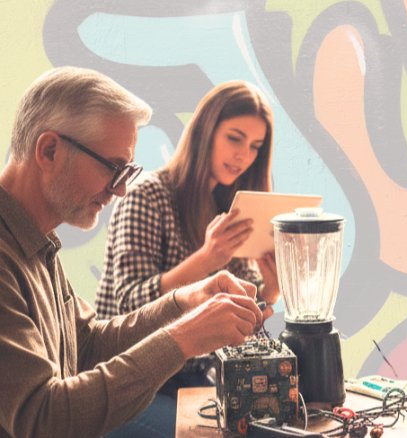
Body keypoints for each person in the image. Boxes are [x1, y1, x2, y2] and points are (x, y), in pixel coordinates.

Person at [0, 66, 270, 438]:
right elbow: (43, 419)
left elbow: (89, 344)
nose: (120, 190)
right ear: (49, 150)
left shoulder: (35, 243)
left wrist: (184, 302)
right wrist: (184, 337)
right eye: (114, 168)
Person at [94, 80, 278, 436]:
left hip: (194, 381)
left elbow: (237, 327)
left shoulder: (228, 209)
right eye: (235, 138)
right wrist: (208, 258)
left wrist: (269, 292)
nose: (244, 155)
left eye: (255, 146)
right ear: (205, 132)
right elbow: (129, 304)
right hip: (132, 383)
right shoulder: (147, 195)